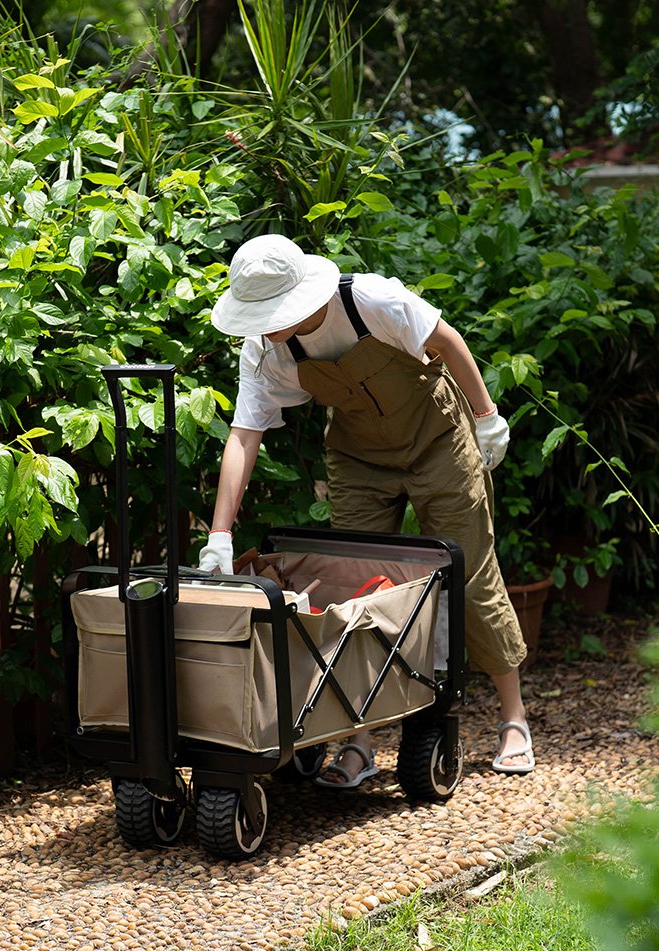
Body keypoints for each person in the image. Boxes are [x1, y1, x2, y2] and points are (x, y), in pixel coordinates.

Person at [196, 234, 535, 785]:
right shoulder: (264, 350)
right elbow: (243, 435)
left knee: (468, 575)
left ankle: (513, 717)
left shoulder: (371, 301)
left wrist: (486, 417)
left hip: (438, 442)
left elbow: (447, 341)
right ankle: (360, 738)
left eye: (269, 312)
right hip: (358, 458)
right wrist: (220, 534)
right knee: (360, 587)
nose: (262, 324)